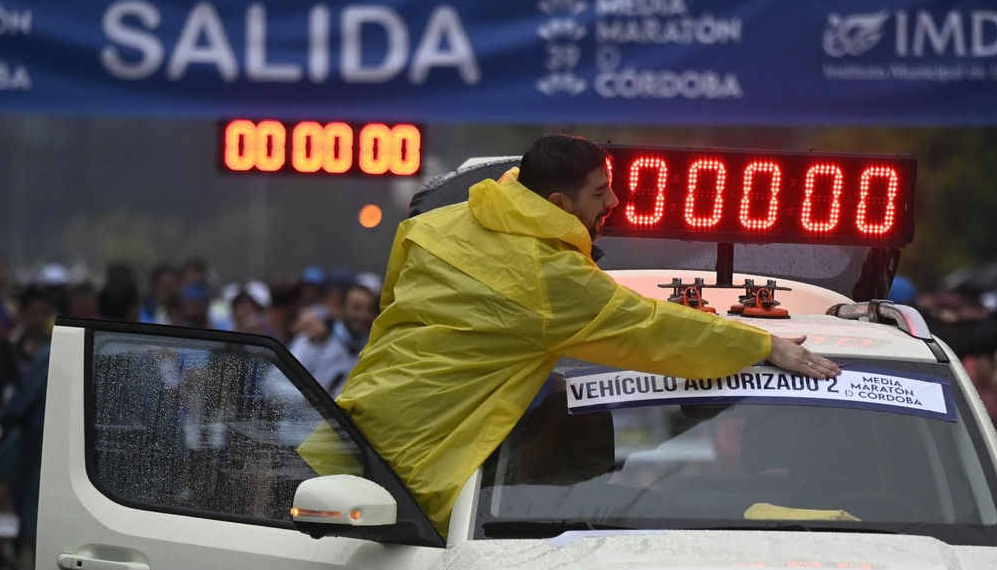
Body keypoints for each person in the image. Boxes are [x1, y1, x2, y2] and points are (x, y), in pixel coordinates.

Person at [334, 133, 838, 534]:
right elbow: (653, 327)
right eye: (600, 192)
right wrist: (762, 343)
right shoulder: (550, 280)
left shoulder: (433, 226)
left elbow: (391, 315)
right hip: (416, 475)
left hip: (348, 437)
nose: (615, 200)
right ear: (558, 201)